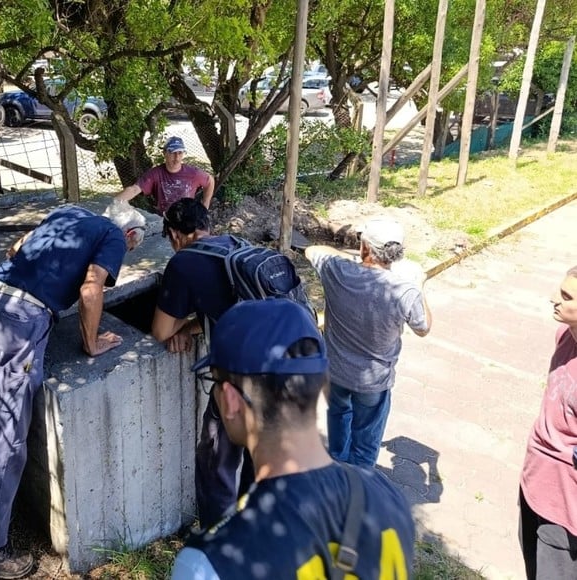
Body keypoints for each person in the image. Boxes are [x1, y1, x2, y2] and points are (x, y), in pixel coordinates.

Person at [0, 201, 147, 579]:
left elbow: (16, 249)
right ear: (130, 236)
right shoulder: (113, 236)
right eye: (130, 251)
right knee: (9, 435)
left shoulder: (70, 214)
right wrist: (91, 343)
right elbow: (92, 289)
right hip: (20, 320)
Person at [170, 299, 415, 579]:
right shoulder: (389, 499)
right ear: (323, 386)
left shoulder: (208, 563)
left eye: (213, 384)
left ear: (230, 400)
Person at [151, 198, 253, 529]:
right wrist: (195, 324)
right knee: (258, 451)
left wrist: (180, 326)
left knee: (216, 456)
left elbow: (160, 330)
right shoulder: (238, 246)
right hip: (285, 367)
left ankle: (216, 539)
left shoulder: (183, 263)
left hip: (242, 374)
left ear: (175, 235)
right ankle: (254, 528)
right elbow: (225, 306)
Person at [305, 218, 431, 467]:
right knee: (364, 446)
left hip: (336, 373)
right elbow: (423, 327)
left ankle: (336, 472)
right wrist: (419, 284)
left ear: (364, 248)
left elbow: (311, 250)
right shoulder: (405, 290)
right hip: (374, 381)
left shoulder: (336, 271)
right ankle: (358, 492)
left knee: (339, 418)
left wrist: (350, 257)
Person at [519, 265, 577, 579]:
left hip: (566, 509)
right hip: (533, 485)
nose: (553, 299)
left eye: (567, 297)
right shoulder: (565, 336)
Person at [115, 136, 215, 215]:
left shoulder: (193, 173)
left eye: (180, 153)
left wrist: (205, 206)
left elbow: (210, 180)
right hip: (165, 219)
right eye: (173, 153)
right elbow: (134, 189)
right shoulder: (155, 174)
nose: (177, 158)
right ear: (165, 153)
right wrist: (115, 203)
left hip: (187, 219)